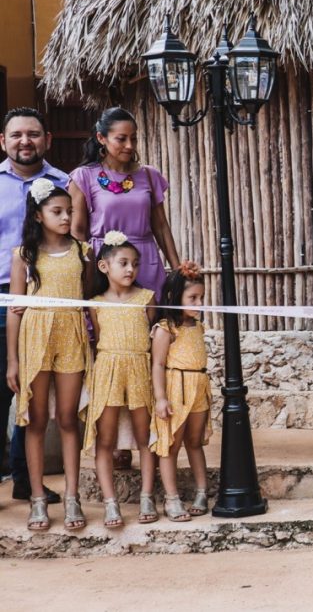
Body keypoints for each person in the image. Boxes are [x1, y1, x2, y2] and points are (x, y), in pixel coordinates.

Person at [70, 107, 179, 471]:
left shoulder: (149, 176)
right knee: (111, 349)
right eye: (121, 138)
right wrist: (85, 278)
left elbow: (161, 227)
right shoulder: (83, 177)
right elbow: (79, 232)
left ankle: (152, 430)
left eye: (134, 138)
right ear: (101, 139)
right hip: (104, 268)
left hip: (146, 263)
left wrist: (177, 270)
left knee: (149, 347)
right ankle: (116, 441)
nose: (130, 145)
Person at [7, 178, 94, 530]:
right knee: (37, 419)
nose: (65, 217)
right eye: (57, 211)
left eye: (69, 211)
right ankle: (38, 500)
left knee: (70, 418)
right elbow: (15, 310)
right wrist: (13, 360)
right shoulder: (23, 255)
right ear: (39, 215)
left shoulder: (82, 252)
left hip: (71, 335)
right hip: (36, 337)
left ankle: (72, 497)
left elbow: (86, 297)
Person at [0, 107, 64, 505]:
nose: (26, 141)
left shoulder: (64, 185)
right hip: (0, 297)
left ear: (47, 140)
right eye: (17, 135)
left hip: (45, 304)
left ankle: (26, 479)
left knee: (31, 394)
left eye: (34, 134)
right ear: (3, 142)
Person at [83, 231, 158, 527]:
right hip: (108, 371)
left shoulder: (147, 298)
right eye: (124, 263)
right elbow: (99, 339)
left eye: (135, 264)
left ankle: (147, 496)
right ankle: (110, 502)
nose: (131, 270)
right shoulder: (95, 303)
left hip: (139, 369)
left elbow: (153, 340)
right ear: (104, 266)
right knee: (106, 440)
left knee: (145, 437)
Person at [151, 262, 211, 521]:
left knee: (195, 443)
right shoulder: (166, 328)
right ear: (176, 297)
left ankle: (202, 491)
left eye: (201, 298)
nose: (198, 303)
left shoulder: (198, 327)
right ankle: (172, 498)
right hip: (176, 388)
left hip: (198, 388)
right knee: (171, 445)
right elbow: (157, 364)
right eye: (192, 298)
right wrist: (161, 398)